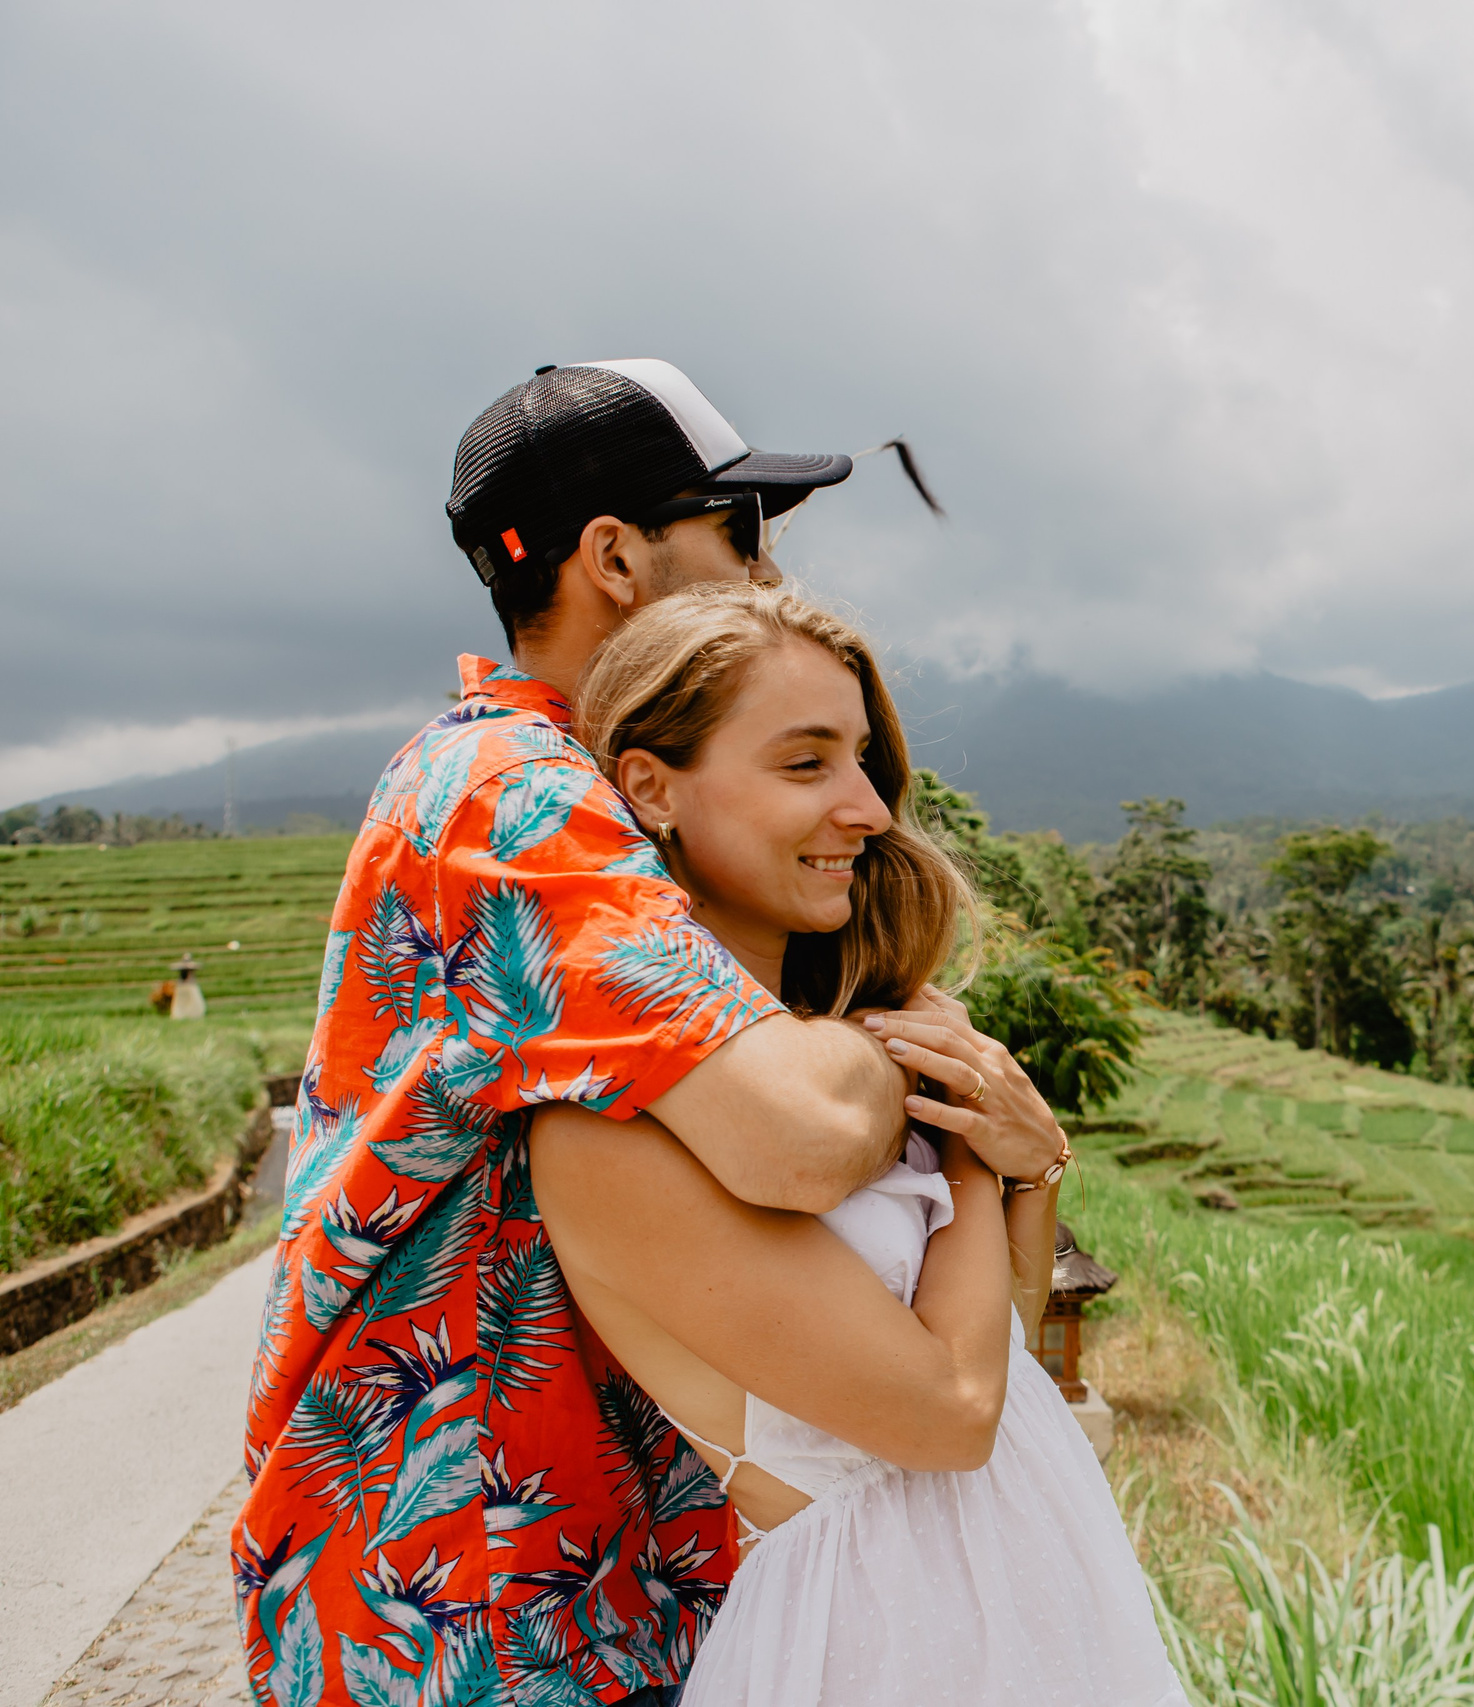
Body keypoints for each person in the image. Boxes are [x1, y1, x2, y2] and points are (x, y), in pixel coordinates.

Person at [233, 361, 1068, 1707]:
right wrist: (917, 1039)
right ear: (616, 558)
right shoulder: (514, 786)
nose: (768, 565)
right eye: (741, 527)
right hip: (478, 1600)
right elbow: (799, 1133)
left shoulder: (573, 794)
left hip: (587, 1575)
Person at [530, 580, 1182, 1706]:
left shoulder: (848, 1046)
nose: (871, 809)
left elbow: (1005, 1348)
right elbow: (950, 1413)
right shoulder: (606, 1132)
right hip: (879, 1639)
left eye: (864, 762)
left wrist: (1036, 1164)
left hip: (1038, 1592)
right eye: (806, 763)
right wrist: (973, 1154)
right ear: (652, 786)